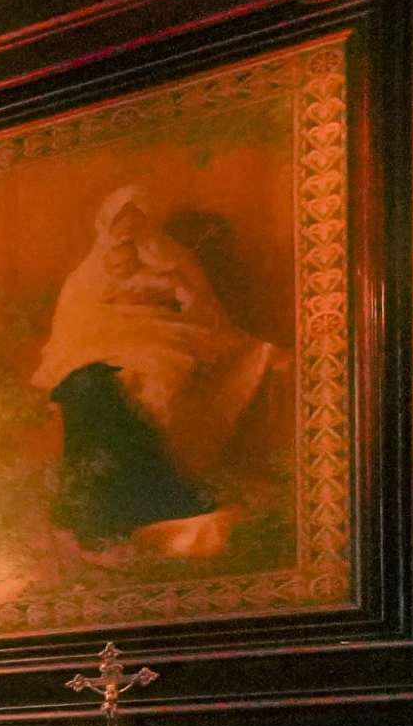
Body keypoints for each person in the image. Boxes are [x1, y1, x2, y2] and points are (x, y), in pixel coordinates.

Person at [28, 185, 283, 560]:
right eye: (119, 218)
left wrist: (174, 292)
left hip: (161, 337)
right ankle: (105, 507)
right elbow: (72, 320)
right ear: (107, 220)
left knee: (135, 376)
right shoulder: (87, 270)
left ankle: (132, 505)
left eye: (134, 216)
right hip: (96, 347)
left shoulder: (169, 255)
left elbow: (204, 312)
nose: (126, 227)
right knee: (84, 385)